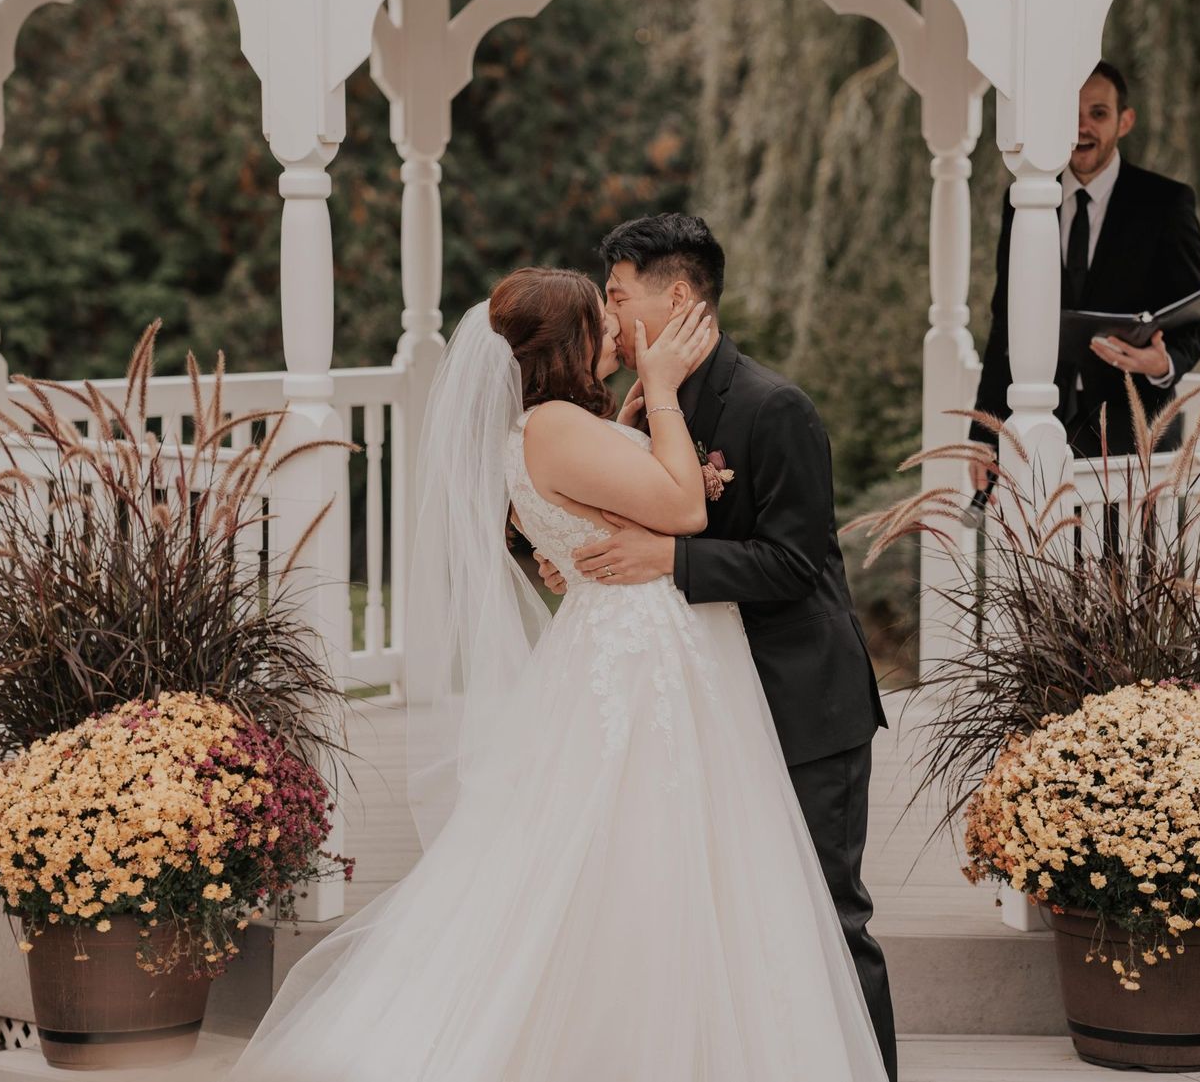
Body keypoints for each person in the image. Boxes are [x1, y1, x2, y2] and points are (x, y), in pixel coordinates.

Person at [233, 267, 889, 1081]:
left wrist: (629, 427)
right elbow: (685, 509)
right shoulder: (551, 427)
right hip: (640, 658)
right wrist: (663, 392)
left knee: (669, 863)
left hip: (644, 649)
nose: (614, 328)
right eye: (599, 316)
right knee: (647, 859)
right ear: (565, 344)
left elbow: (614, 509)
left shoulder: (561, 425)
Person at [538, 212, 900, 1080]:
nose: (611, 318)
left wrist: (667, 556)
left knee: (828, 915)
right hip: (706, 699)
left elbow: (793, 562)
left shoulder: (775, 407)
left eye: (619, 297)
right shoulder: (636, 408)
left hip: (802, 700)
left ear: (682, 296)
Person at [969, 61, 1200, 483]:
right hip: (1039, 434)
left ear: (1125, 121)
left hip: (1135, 436)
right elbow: (1006, 322)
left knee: (1128, 553)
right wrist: (985, 433)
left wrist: (1161, 363)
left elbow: (1196, 324)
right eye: (1070, 115)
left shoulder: (1166, 204)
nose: (1082, 127)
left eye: (1098, 113)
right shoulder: (1020, 200)